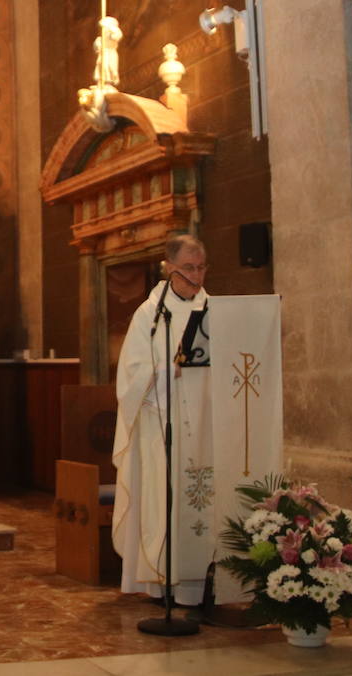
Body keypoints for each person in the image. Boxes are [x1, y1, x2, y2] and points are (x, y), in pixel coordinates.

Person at [112, 233, 214, 606]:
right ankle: (163, 580)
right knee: (164, 500)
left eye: (202, 267)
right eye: (188, 268)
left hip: (205, 427)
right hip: (162, 423)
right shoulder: (151, 315)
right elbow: (130, 375)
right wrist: (167, 371)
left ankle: (203, 576)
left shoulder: (213, 311)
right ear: (169, 268)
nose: (197, 276)